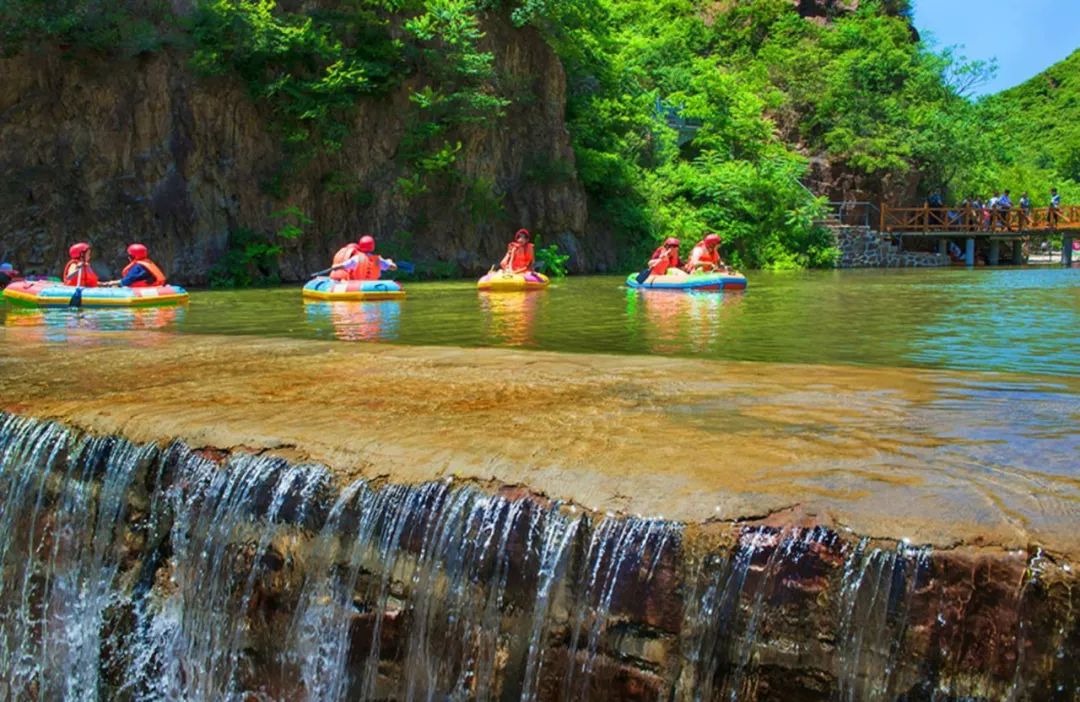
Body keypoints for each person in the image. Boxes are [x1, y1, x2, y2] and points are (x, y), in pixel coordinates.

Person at [329, 235, 396, 281]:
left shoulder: (356, 259)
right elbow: (393, 267)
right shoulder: (378, 260)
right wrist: (390, 262)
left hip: (357, 285)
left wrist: (335, 266)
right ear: (373, 247)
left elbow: (342, 266)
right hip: (373, 286)